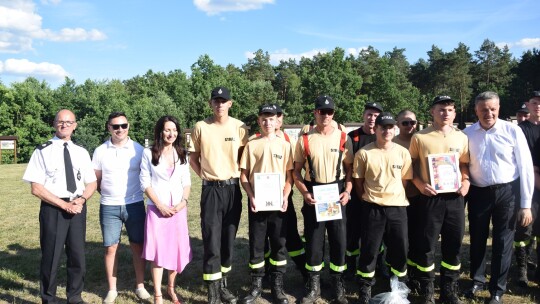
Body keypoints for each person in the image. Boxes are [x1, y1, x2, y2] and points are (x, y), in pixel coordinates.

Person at [464, 91, 534, 304]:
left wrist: (525, 204)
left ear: (499, 109)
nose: (489, 113)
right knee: (477, 238)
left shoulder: (512, 131)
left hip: (508, 193)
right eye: (484, 109)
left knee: (503, 242)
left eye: (493, 109)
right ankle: (477, 280)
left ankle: (497, 290)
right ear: (476, 110)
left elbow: (525, 167)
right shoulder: (466, 133)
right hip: (478, 192)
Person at [23, 109, 97, 304]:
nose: (64, 125)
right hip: (53, 207)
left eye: (69, 122)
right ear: (54, 124)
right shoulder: (42, 150)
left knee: (77, 256)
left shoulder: (81, 151)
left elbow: (91, 183)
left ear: (75, 125)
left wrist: (80, 200)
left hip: (77, 206)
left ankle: (75, 297)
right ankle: (49, 298)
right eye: (60, 121)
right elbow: (36, 188)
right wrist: (64, 205)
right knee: (51, 256)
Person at [189, 86, 249, 304]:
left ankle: (223, 284)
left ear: (230, 103)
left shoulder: (240, 127)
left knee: (228, 241)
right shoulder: (201, 127)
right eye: (216, 100)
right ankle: (213, 293)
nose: (220, 104)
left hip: (233, 189)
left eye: (224, 101)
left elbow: (245, 157)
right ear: (210, 103)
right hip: (211, 190)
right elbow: (193, 158)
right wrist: (206, 177)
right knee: (211, 240)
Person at [408, 96, 470, 304]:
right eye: (441, 110)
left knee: (453, 244)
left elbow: (463, 165)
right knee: (426, 245)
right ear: (432, 112)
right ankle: (427, 290)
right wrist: (419, 184)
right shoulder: (420, 137)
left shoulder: (461, 137)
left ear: (454, 113)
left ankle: (449, 290)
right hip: (430, 198)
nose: (446, 113)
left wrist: (466, 181)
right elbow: (411, 166)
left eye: (450, 110)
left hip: (454, 199)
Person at [293, 95, 353, 304]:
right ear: (315, 113)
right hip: (314, 191)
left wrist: (347, 191)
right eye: (321, 111)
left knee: (339, 240)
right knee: (314, 241)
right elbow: (296, 172)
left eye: (329, 112)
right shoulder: (305, 139)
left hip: (336, 192)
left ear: (333, 114)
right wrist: (304, 192)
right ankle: (314, 285)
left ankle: (338, 284)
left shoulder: (343, 137)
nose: (325, 115)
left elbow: (350, 170)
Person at [92, 112, 151, 303]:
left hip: (134, 205)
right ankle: (112, 289)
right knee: (111, 247)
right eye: (115, 126)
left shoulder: (139, 150)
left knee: (138, 245)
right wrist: (110, 196)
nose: (120, 130)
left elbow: (147, 177)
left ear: (128, 126)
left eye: (123, 126)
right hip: (109, 206)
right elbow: (97, 180)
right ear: (108, 127)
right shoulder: (100, 151)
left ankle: (140, 286)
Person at [354, 113, 412, 303]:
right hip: (373, 208)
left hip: (397, 208)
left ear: (395, 129)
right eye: (383, 127)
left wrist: (392, 196)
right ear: (376, 129)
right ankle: (365, 289)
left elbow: (404, 181)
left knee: (400, 248)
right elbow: (359, 182)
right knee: (369, 250)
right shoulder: (364, 153)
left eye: (390, 127)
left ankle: (398, 289)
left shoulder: (403, 152)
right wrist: (371, 199)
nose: (387, 131)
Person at [239, 104, 294, 304]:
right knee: (257, 244)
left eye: (271, 118)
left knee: (279, 244)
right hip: (258, 204)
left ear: (277, 120)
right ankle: (256, 286)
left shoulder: (285, 145)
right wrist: (251, 195)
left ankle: (277, 287)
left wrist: (286, 196)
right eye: (264, 118)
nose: (267, 122)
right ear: (259, 121)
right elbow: (243, 175)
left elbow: (290, 176)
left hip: (278, 204)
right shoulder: (252, 145)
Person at [140, 115, 192, 304]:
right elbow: (144, 182)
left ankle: (171, 288)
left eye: (174, 130)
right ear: (160, 132)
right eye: (167, 129)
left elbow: (186, 182)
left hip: (178, 209)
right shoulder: (149, 153)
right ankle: (157, 294)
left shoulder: (182, 153)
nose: (171, 133)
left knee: (175, 249)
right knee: (159, 251)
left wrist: (183, 202)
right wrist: (160, 205)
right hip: (157, 210)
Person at [344, 102, 383, 279]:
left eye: (376, 116)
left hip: (378, 196)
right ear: (363, 116)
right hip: (356, 194)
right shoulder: (352, 137)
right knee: (353, 230)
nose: (372, 119)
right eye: (369, 114)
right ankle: (351, 263)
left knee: (376, 232)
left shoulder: (384, 137)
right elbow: (348, 167)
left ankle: (379, 262)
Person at [393, 110, 422, 291]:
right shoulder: (392, 142)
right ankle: (397, 272)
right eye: (405, 123)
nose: (410, 126)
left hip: (420, 197)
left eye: (413, 122)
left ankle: (414, 273)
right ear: (397, 124)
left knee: (418, 238)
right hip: (399, 199)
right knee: (399, 239)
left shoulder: (421, 140)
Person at [514, 91, 540, 286]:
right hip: (526, 189)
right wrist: (532, 171)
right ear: (528, 105)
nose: (538, 106)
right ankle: (521, 269)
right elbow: (518, 159)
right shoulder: (520, 129)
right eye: (534, 102)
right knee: (524, 231)